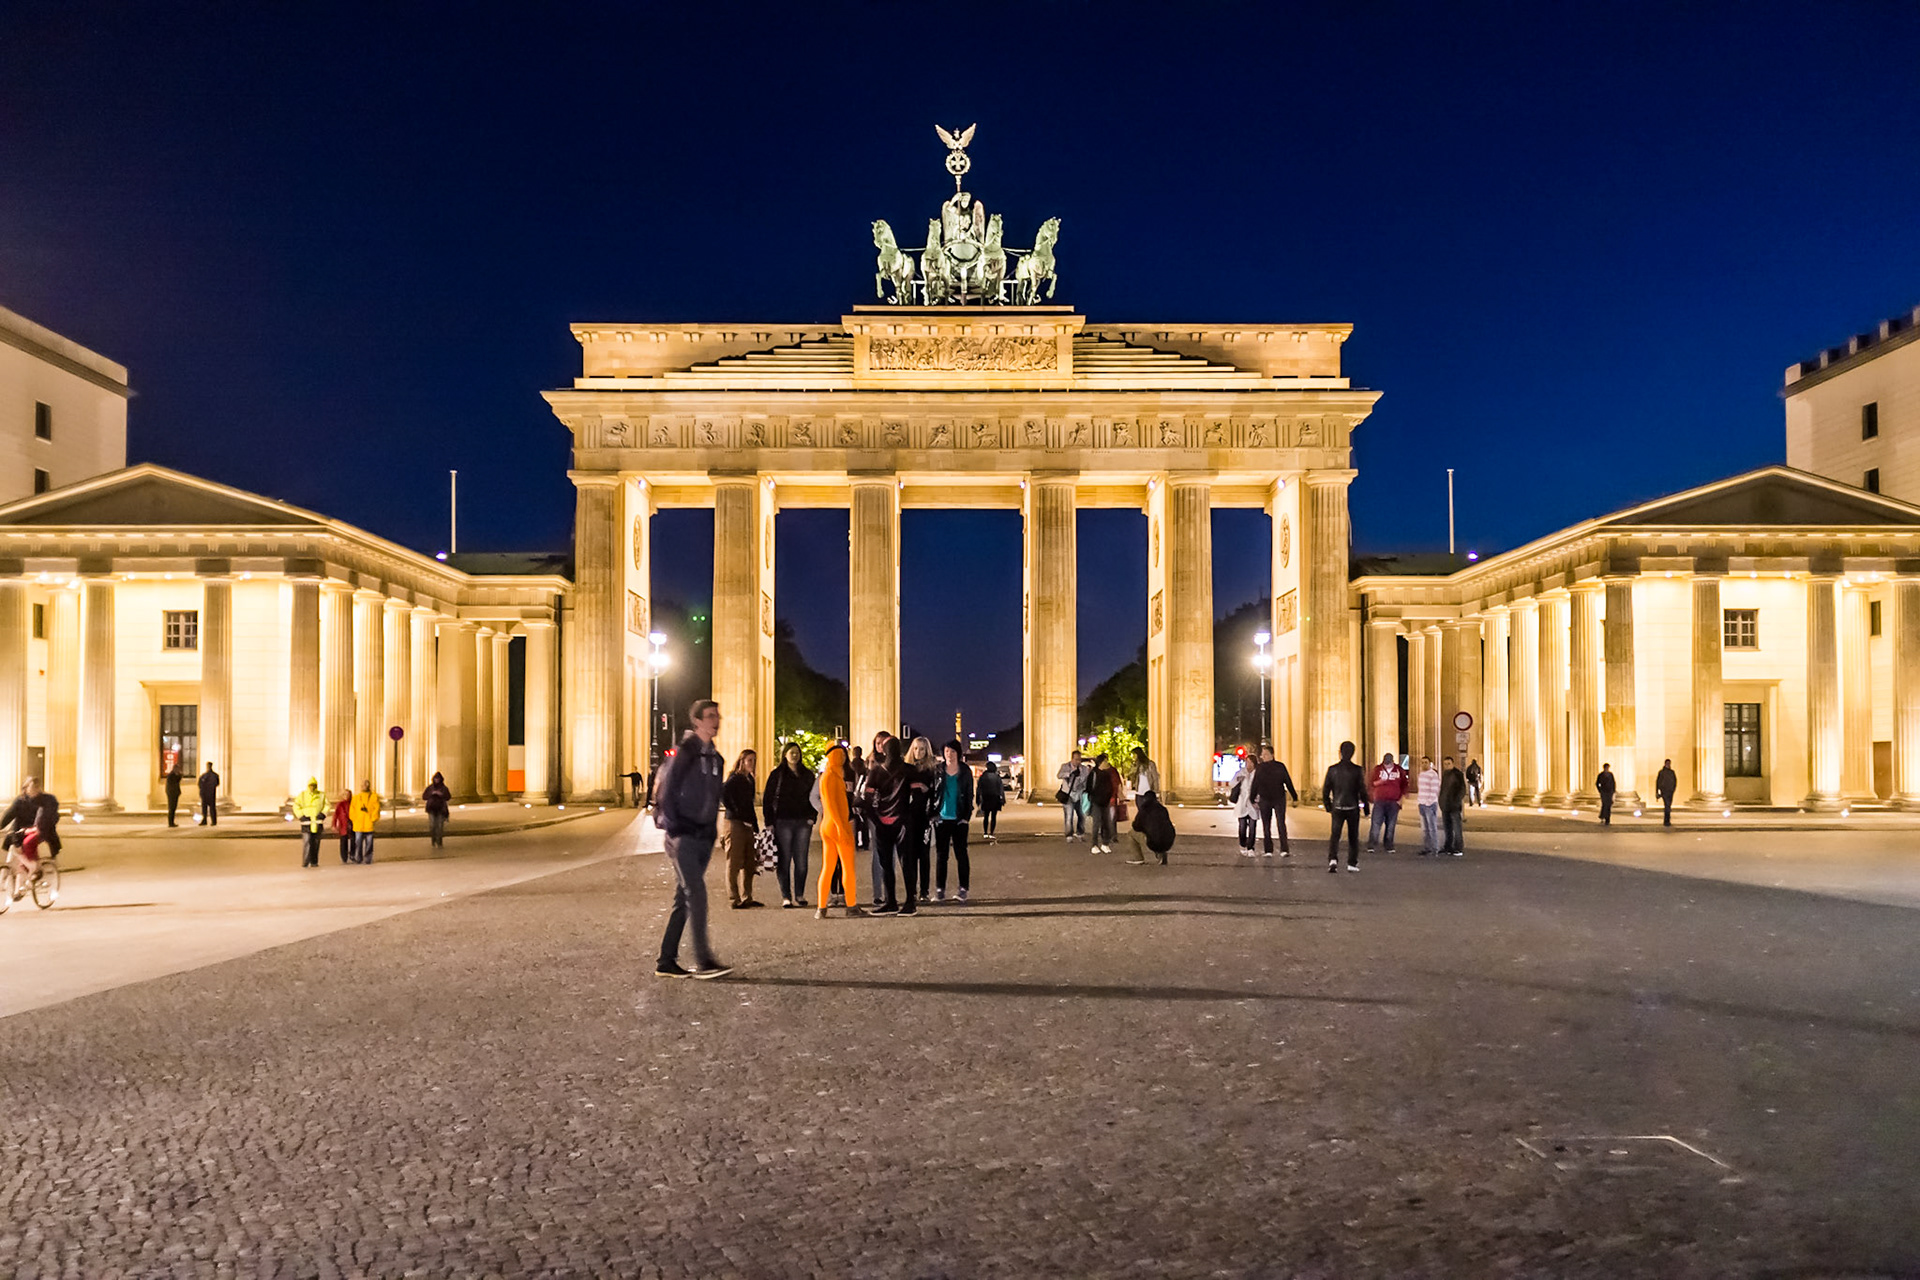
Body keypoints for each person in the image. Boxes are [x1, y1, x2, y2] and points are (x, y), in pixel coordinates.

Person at [653, 699, 732, 979]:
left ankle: (666, 961)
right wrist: (675, 827)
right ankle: (704, 960)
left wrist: (711, 830)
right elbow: (668, 790)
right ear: (697, 721)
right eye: (710, 716)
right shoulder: (685, 752)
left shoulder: (717, 759)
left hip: (703, 835)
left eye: (717, 715)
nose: (716, 720)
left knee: (683, 898)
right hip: (683, 835)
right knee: (696, 894)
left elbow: (714, 798)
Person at [863, 736, 914, 915]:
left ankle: (891, 901)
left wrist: (875, 820)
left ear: (884, 751)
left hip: (882, 822)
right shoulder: (909, 770)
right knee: (906, 863)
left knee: (886, 865)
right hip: (903, 822)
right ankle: (909, 902)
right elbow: (918, 796)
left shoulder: (876, 771)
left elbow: (867, 799)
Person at [814, 745, 866, 919]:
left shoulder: (829, 775)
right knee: (847, 867)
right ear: (832, 756)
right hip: (838, 826)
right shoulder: (831, 776)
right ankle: (851, 904)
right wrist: (842, 827)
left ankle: (821, 907)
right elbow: (831, 805)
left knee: (828, 867)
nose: (843, 758)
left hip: (828, 826)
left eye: (844, 755)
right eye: (839, 755)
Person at [763, 743, 816, 909]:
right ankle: (786, 896)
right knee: (784, 860)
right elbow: (768, 799)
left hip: (803, 822)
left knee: (801, 861)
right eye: (791, 752)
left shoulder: (808, 775)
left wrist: (812, 817)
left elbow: (815, 796)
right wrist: (769, 822)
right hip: (782, 821)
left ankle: (799, 894)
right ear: (784, 755)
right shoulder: (777, 774)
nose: (794, 755)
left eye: (797, 752)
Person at [932, 740, 974, 902]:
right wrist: (933, 814)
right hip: (941, 818)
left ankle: (963, 889)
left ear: (958, 753)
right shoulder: (938, 770)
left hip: (959, 819)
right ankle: (939, 890)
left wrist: (966, 817)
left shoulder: (965, 771)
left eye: (953, 751)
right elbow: (933, 793)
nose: (949, 754)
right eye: (947, 751)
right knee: (941, 856)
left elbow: (969, 794)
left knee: (961, 854)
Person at [721, 749, 762, 909]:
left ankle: (747, 896)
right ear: (742, 761)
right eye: (749, 760)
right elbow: (723, 794)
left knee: (749, 862)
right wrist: (735, 811)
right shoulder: (735, 778)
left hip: (747, 823)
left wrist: (755, 824)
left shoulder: (749, 779)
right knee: (734, 861)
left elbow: (750, 805)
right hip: (735, 823)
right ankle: (734, 898)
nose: (752, 763)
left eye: (754, 760)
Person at [1323, 741, 1369, 873]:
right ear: (1353, 753)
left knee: (1335, 835)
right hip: (1352, 807)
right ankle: (1351, 863)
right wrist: (1366, 809)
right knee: (1353, 836)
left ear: (1340, 752)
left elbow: (1326, 789)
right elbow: (1362, 790)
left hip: (1337, 807)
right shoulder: (1357, 770)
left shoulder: (1332, 769)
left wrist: (1328, 806)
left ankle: (1333, 859)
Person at [903, 736, 938, 904]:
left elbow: (935, 793)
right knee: (909, 856)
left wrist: (933, 813)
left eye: (922, 749)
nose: (918, 752)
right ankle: (912, 891)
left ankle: (924, 890)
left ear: (927, 751)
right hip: (908, 817)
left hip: (924, 817)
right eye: (916, 748)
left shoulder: (931, 770)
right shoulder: (906, 769)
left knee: (923, 855)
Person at [1249, 745, 1299, 857]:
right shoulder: (1260, 768)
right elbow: (1255, 784)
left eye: (1266, 754)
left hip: (1278, 798)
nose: (1263, 756)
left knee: (1281, 823)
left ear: (1272, 755)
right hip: (1265, 799)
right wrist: (1252, 798)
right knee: (1266, 825)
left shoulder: (1280, 766)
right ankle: (1268, 850)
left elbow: (1288, 782)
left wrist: (1294, 797)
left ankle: (1284, 849)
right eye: (1263, 754)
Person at [1365, 752, 1406, 854]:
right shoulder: (1378, 769)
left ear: (1392, 761)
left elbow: (1404, 784)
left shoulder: (1399, 770)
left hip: (1394, 801)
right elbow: (1371, 783)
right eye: (1386, 763)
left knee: (1391, 824)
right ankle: (1372, 844)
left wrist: (1401, 799)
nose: (1387, 765)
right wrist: (1379, 782)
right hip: (1380, 800)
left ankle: (1388, 844)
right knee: (1376, 823)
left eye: (1389, 763)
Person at [1125, 790, 1175, 865]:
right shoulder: (1163, 809)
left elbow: (1136, 826)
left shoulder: (1144, 809)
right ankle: (1161, 853)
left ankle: (1138, 858)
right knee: (1158, 833)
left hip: (1153, 842)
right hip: (1168, 840)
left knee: (1131, 833)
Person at [1085, 752, 1118, 854]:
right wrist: (1093, 797)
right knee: (1096, 823)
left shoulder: (1107, 774)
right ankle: (1094, 844)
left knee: (1106, 823)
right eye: (1105, 761)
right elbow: (1089, 787)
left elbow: (1111, 787)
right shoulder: (1094, 773)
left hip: (1105, 801)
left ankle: (1105, 843)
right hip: (1096, 801)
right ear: (1100, 762)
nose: (1107, 763)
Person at [1056, 750, 1091, 841]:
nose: (1078, 762)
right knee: (1069, 815)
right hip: (1068, 794)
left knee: (1082, 815)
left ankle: (1080, 833)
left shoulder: (1084, 769)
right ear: (1072, 759)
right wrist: (1069, 774)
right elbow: (1059, 775)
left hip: (1080, 794)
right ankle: (1069, 835)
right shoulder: (1065, 766)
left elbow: (1086, 780)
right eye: (1076, 759)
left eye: (1079, 760)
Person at [294, 777, 328, 867]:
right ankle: (305, 862)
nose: (312, 787)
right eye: (311, 785)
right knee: (307, 842)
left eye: (314, 785)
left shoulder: (321, 795)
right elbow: (296, 806)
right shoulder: (302, 795)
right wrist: (301, 816)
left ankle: (314, 861)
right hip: (307, 823)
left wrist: (323, 814)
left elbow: (327, 805)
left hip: (317, 822)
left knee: (316, 843)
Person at [1229, 751, 1257, 855]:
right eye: (1247, 762)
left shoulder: (1257, 774)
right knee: (1242, 826)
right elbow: (1231, 783)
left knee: (1253, 827)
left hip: (1253, 804)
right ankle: (1243, 844)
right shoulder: (1241, 772)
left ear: (1254, 763)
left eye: (1250, 763)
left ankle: (1251, 848)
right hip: (1242, 803)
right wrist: (1238, 779)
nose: (1248, 765)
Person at [1439, 756, 1467, 855]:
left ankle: (1458, 847)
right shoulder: (1445, 774)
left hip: (1454, 806)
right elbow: (1443, 789)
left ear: (1453, 764)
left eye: (1448, 764)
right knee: (1447, 828)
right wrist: (1441, 802)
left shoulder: (1457, 774)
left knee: (1456, 827)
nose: (1446, 765)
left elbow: (1462, 789)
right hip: (1445, 805)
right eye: (1445, 764)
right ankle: (1448, 846)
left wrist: (1456, 800)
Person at [1414, 756, 1442, 855]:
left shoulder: (1433, 775)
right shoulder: (1421, 774)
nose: (1424, 764)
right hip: (1421, 803)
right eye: (1422, 762)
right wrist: (1420, 802)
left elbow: (1434, 790)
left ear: (1430, 763)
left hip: (1430, 804)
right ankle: (1427, 847)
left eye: (1426, 762)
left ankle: (1435, 848)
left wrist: (1429, 802)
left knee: (1432, 827)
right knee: (1425, 828)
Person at [349, 780, 381, 863]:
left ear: (368, 786)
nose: (364, 786)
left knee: (369, 843)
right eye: (362, 785)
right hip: (358, 823)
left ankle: (368, 858)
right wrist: (354, 819)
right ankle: (358, 858)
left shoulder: (373, 797)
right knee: (358, 842)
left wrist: (373, 818)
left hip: (368, 823)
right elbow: (352, 810)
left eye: (366, 785)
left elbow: (376, 808)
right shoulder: (356, 797)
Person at [976, 760, 1005, 843]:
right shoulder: (997, 776)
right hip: (995, 798)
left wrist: (978, 799)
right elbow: (1001, 788)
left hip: (986, 797)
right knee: (993, 816)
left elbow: (979, 788)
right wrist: (1002, 798)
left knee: (986, 816)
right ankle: (992, 832)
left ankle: (985, 832)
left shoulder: (983, 776)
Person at [422, 772, 452, 848]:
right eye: (435, 778)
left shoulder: (444, 788)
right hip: (431, 809)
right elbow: (424, 796)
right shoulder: (430, 788)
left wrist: (441, 794)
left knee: (439, 826)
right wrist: (432, 793)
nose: (437, 780)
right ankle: (433, 839)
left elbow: (448, 797)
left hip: (441, 809)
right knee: (432, 825)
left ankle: (439, 841)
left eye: (438, 779)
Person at [330, 789, 353, 863]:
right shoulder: (340, 804)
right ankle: (344, 857)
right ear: (342, 796)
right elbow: (335, 816)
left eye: (348, 795)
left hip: (353, 824)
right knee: (343, 841)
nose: (347, 796)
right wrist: (333, 825)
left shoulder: (353, 803)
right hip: (343, 825)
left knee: (354, 840)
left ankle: (352, 854)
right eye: (345, 794)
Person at [1655, 758, 1678, 826]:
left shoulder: (1672, 772)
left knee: (1668, 806)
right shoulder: (1662, 772)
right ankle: (1666, 820)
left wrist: (1673, 790)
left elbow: (1674, 782)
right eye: (1667, 763)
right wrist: (1657, 792)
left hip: (1670, 792)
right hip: (1664, 792)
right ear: (1665, 764)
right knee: (1667, 806)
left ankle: (1667, 820)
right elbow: (1658, 783)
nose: (1668, 765)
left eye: (1669, 763)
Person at [198, 761, 221, 827]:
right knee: (210, 808)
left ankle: (207, 820)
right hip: (210, 793)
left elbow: (200, 784)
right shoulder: (214, 775)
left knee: (207, 808)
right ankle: (212, 821)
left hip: (207, 793)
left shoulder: (205, 775)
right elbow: (217, 784)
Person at [163, 759, 183, 828]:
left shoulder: (173, 775)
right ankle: (170, 822)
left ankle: (172, 822)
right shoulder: (171, 775)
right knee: (171, 808)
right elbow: (175, 782)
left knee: (173, 808)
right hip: (172, 794)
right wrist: (180, 775)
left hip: (174, 793)